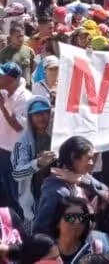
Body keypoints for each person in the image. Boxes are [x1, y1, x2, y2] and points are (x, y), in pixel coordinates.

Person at [34, 136, 109, 235]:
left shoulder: (81, 176)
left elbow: (105, 191)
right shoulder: (57, 191)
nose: (92, 163)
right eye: (89, 158)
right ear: (74, 157)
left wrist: (82, 181)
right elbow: (40, 229)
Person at [12, 96, 55, 225]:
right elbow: (17, 174)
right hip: (35, 199)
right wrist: (38, 162)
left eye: (44, 113)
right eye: (36, 114)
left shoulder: (59, 135)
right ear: (30, 118)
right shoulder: (22, 142)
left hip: (59, 196)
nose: (41, 117)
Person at [0, 62, 32, 216]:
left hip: (15, 153)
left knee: (15, 194)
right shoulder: (4, 92)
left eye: (1, 76)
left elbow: (19, 127)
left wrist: (2, 107)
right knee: (4, 192)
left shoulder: (26, 98)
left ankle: (19, 227)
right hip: (2, 149)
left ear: (11, 79)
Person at [48, 196, 109, 263]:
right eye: (71, 217)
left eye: (81, 218)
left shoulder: (92, 251)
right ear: (58, 222)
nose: (77, 222)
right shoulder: (44, 250)